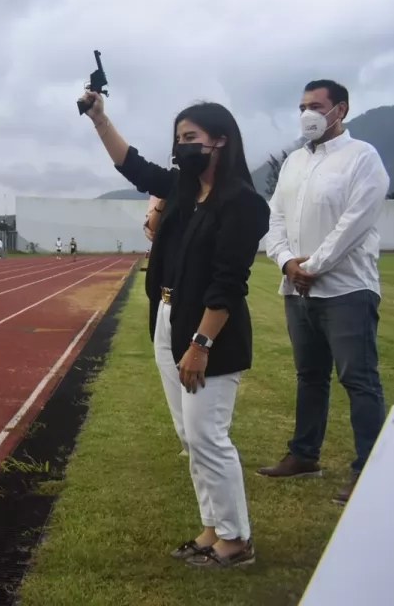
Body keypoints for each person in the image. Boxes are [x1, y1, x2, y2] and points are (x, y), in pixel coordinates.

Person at [83, 89, 268, 569]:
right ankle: (213, 527)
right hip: (168, 318)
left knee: (208, 433)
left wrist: (201, 345)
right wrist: (100, 119)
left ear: (220, 142)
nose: (180, 146)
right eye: (178, 138)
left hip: (208, 331)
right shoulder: (185, 192)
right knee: (189, 435)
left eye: (190, 138)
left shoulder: (242, 203)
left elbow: (229, 284)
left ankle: (237, 541)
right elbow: (135, 167)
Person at [258, 80, 390, 506]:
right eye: (301, 107)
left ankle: (368, 469)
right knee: (309, 376)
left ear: (341, 110)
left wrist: (312, 267)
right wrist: (285, 262)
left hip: (346, 290)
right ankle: (304, 454)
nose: (306, 114)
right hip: (297, 291)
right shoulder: (295, 161)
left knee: (359, 379)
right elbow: (275, 218)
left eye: (315, 106)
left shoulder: (363, 159)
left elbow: (354, 222)